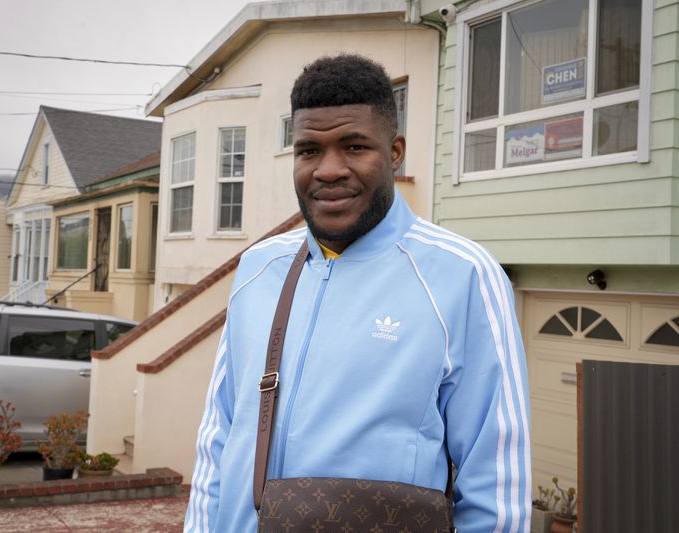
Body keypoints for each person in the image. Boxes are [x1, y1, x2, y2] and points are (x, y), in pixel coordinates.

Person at [184, 54, 531, 533]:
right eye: (308, 151)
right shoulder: (257, 268)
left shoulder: (462, 275)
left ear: (394, 152)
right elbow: (219, 438)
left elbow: (496, 478)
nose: (328, 170)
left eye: (353, 146)